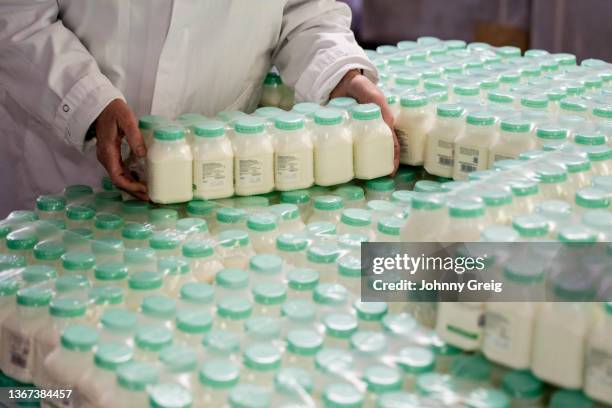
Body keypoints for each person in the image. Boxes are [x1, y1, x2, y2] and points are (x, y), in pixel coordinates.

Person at [0, 0, 398, 214]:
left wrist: (343, 73)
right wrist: (88, 103)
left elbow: (303, 9)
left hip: (218, 174)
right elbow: (18, 16)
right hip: (65, 173)